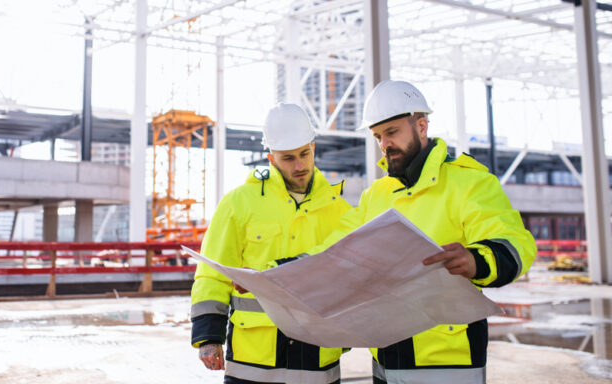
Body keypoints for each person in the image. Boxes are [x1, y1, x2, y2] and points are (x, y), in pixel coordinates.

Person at [308, 80, 536, 384]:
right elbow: (335, 247)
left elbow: (516, 243)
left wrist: (476, 260)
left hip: (448, 361)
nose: (385, 144)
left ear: (422, 126)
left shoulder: (468, 183)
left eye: (392, 132)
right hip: (386, 360)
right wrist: (276, 272)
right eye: (378, 136)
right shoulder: (377, 195)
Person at [190, 103, 352, 384]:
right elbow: (213, 273)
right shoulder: (239, 203)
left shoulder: (340, 210)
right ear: (271, 158)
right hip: (253, 360)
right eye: (288, 158)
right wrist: (208, 335)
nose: (300, 165)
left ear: (313, 147)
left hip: (318, 357)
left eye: (304, 153)